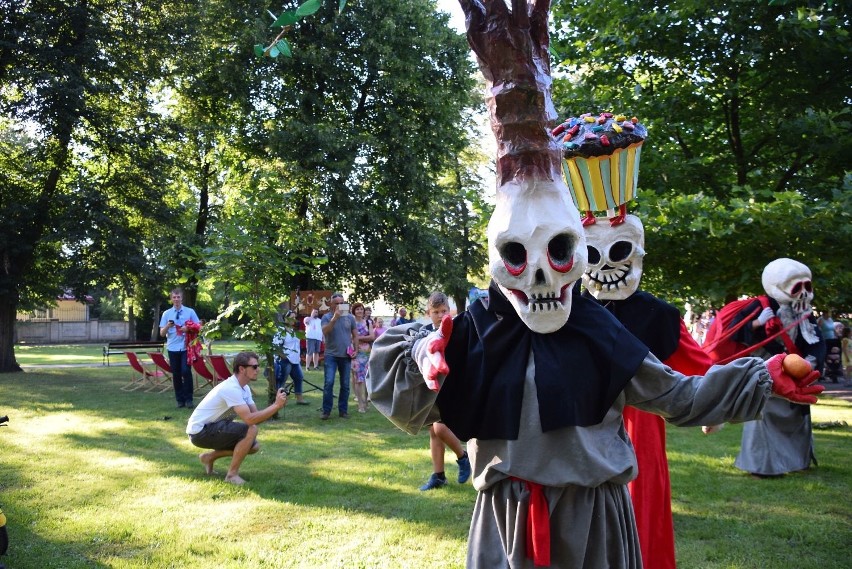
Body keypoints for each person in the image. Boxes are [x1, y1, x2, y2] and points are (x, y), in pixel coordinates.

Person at [186, 351, 288, 485]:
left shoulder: (244, 388)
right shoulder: (231, 388)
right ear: (241, 368)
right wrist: (275, 406)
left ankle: (209, 457)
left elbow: (256, 416)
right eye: (254, 366)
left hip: (211, 428)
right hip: (200, 432)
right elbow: (250, 420)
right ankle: (231, 475)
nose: (258, 370)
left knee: (254, 446)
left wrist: (277, 405)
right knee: (251, 430)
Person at [417, 292, 471, 491]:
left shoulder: (457, 329)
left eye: (444, 311)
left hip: (453, 385)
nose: (441, 316)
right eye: (436, 312)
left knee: (440, 428)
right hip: (434, 387)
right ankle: (438, 475)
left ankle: (463, 457)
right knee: (433, 431)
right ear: (428, 313)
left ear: (450, 311)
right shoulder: (424, 332)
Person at [159, 288, 200, 409]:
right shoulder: (166, 314)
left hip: (186, 347)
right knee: (176, 374)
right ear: (171, 299)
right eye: (174, 297)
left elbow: (199, 327)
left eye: (178, 297)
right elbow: (162, 333)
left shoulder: (190, 311)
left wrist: (188, 329)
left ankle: (189, 399)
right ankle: (180, 400)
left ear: (182, 298)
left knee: (186, 371)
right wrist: (168, 325)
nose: (176, 299)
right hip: (172, 348)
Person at [320, 292, 357, 420]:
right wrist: (334, 318)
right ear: (331, 304)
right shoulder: (326, 317)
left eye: (342, 303)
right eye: (337, 303)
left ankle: (343, 410)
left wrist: (356, 349)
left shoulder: (350, 317)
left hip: (345, 356)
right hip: (331, 355)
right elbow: (325, 331)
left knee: (345, 384)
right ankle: (326, 411)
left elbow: (355, 334)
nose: (340, 306)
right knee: (329, 382)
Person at [273, 311, 309, 405]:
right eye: (291, 317)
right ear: (285, 319)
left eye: (294, 317)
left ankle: (299, 399)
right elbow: (276, 346)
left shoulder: (293, 331)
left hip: (295, 360)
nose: (294, 319)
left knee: (299, 377)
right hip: (285, 360)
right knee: (282, 381)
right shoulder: (281, 331)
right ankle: (279, 401)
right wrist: (284, 357)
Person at [350, 302, 375, 413]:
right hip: (355, 353)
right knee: (358, 380)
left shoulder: (368, 322)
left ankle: (365, 401)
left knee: (366, 378)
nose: (360, 311)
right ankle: (360, 404)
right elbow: (350, 338)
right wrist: (359, 339)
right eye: (357, 309)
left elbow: (372, 336)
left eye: (361, 309)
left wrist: (357, 337)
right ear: (354, 311)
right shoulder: (351, 323)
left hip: (367, 354)